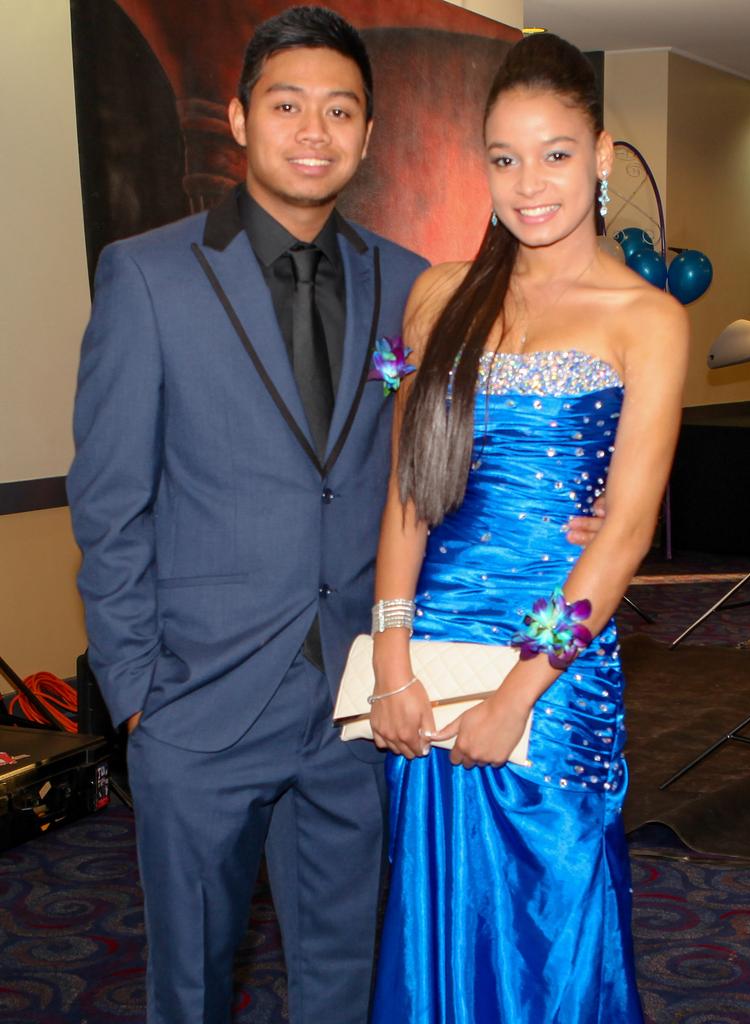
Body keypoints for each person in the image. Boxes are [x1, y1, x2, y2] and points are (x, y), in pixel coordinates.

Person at [68, 8, 604, 1022]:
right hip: (199, 707)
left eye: (340, 109)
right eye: (287, 104)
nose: (314, 128)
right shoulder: (148, 277)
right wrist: (138, 694)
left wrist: (583, 509)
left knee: (343, 976)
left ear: (366, 136)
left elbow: (454, 457)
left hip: (359, 703)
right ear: (239, 117)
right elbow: (109, 503)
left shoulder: (413, 284)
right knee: (190, 983)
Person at [369, 32, 688, 1024]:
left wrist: (519, 690)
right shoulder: (431, 299)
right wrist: (389, 664)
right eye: (505, 158)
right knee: (435, 923)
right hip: (428, 665)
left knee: (555, 917)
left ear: (598, 155)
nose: (529, 182)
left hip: (554, 666)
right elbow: (404, 492)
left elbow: (627, 533)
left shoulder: (649, 319)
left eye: (555, 153)